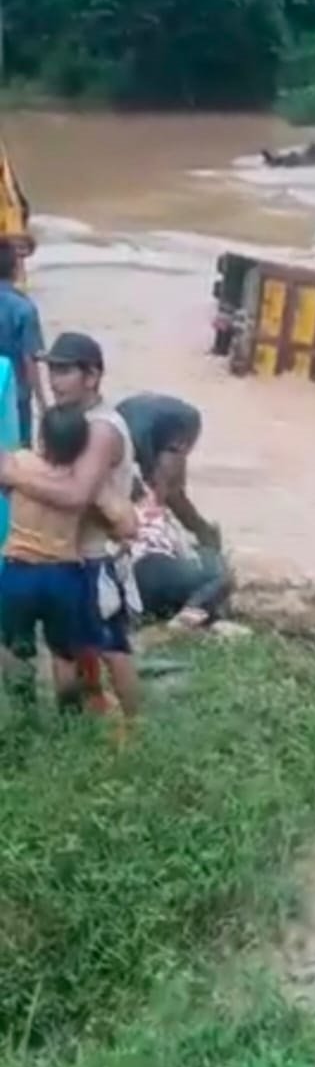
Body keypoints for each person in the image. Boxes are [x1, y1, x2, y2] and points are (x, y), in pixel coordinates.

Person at [0, 332, 140, 720]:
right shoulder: (74, 421)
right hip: (68, 558)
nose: (53, 380)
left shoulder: (100, 429)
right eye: (51, 370)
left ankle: (134, 726)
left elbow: (76, 494)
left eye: (64, 371)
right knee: (80, 648)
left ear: (92, 376)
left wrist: (15, 476)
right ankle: (90, 720)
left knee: (112, 647)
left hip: (96, 557)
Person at [116, 393, 219, 548]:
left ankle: (205, 534)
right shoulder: (106, 444)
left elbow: (156, 493)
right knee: (132, 493)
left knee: (168, 492)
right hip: (141, 415)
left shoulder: (134, 445)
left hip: (180, 422)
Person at [130, 480, 232, 629]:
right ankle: (193, 609)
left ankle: (173, 612)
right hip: (157, 564)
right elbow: (180, 549)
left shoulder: (110, 504)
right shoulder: (153, 507)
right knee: (217, 568)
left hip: (131, 585)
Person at [0, 239, 46, 447]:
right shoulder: (24, 308)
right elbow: (30, 359)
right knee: (18, 457)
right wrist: (43, 405)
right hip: (15, 396)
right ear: (15, 269)